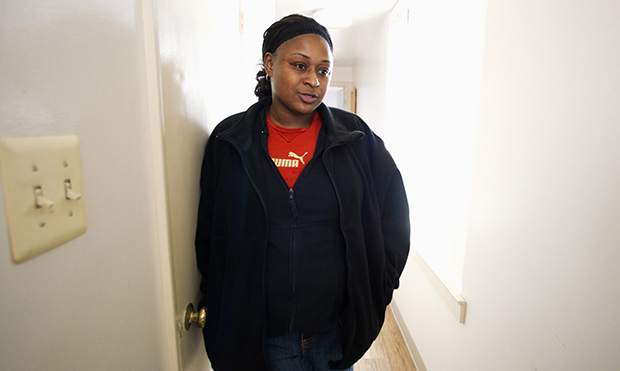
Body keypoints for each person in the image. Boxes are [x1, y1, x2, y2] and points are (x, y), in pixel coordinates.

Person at [195, 14, 410, 371]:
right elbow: (210, 236)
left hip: (335, 335)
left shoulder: (355, 138)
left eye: (323, 71)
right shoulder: (229, 141)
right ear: (269, 64)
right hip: (263, 339)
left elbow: (394, 215)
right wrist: (218, 304)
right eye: (300, 65)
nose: (313, 80)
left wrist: (377, 287)